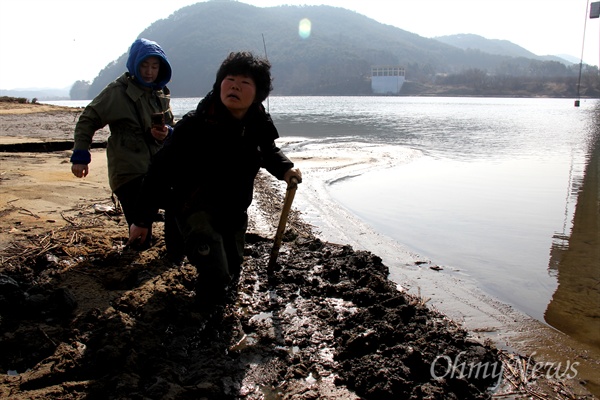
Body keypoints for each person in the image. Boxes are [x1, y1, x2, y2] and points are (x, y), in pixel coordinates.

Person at [127, 51, 302, 304]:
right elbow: (159, 170)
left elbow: (268, 151)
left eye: (245, 83)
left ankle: (220, 304)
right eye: (229, 80)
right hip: (193, 206)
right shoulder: (194, 126)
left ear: (258, 94)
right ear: (219, 84)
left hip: (234, 208)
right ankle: (204, 316)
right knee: (214, 270)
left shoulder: (258, 122)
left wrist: (286, 170)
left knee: (233, 270)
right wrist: (142, 220)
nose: (235, 87)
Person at [70, 38, 174, 250]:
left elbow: (172, 126)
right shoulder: (117, 92)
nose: (149, 71)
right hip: (129, 174)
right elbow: (88, 119)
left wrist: (166, 133)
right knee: (141, 236)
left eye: (154, 66)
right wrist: (81, 155)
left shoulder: (159, 93)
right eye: (144, 65)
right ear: (135, 64)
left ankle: (175, 251)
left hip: (156, 170)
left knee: (180, 203)